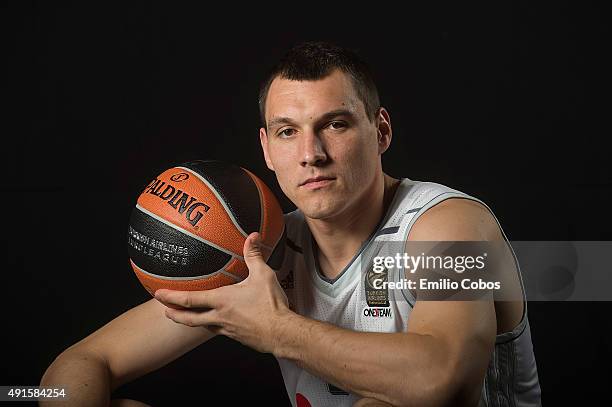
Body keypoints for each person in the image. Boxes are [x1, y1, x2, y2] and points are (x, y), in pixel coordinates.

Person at [41, 41, 541, 407]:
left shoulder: (449, 225)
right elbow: (79, 365)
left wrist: (277, 329)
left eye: (335, 124)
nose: (311, 155)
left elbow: (444, 381)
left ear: (381, 130)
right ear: (266, 149)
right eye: (287, 132)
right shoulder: (264, 252)